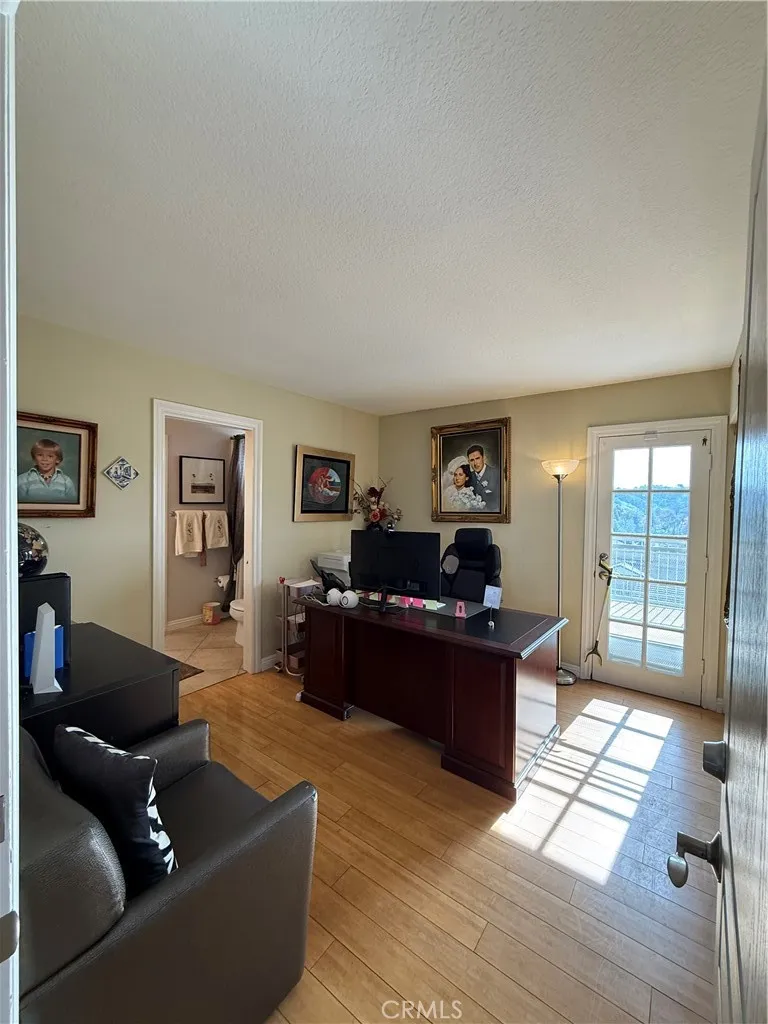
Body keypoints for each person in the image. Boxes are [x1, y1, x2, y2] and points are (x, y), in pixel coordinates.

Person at [18, 438, 77, 503]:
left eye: (50, 456)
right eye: (40, 455)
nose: (45, 459)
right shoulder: (23, 480)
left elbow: (72, 505)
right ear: (34, 458)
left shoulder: (66, 481)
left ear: (57, 459)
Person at [467, 443, 500, 513]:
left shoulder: (496, 474)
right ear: (468, 462)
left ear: (484, 458)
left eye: (477, 458)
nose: (475, 463)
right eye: (472, 460)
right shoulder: (469, 477)